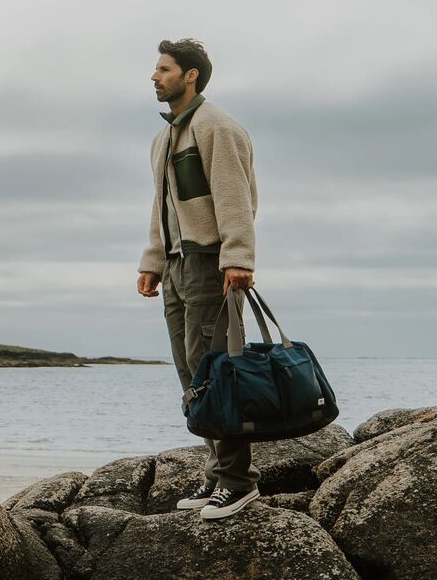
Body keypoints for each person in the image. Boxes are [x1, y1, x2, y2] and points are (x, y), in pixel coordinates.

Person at [135, 38, 262, 520]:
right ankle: (216, 475)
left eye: (164, 69)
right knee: (192, 375)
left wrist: (238, 257)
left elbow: (237, 198)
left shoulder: (217, 128)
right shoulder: (164, 138)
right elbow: (162, 207)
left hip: (211, 262)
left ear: (190, 76)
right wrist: (153, 261)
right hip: (176, 264)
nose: (154, 76)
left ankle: (238, 481)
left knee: (217, 371)